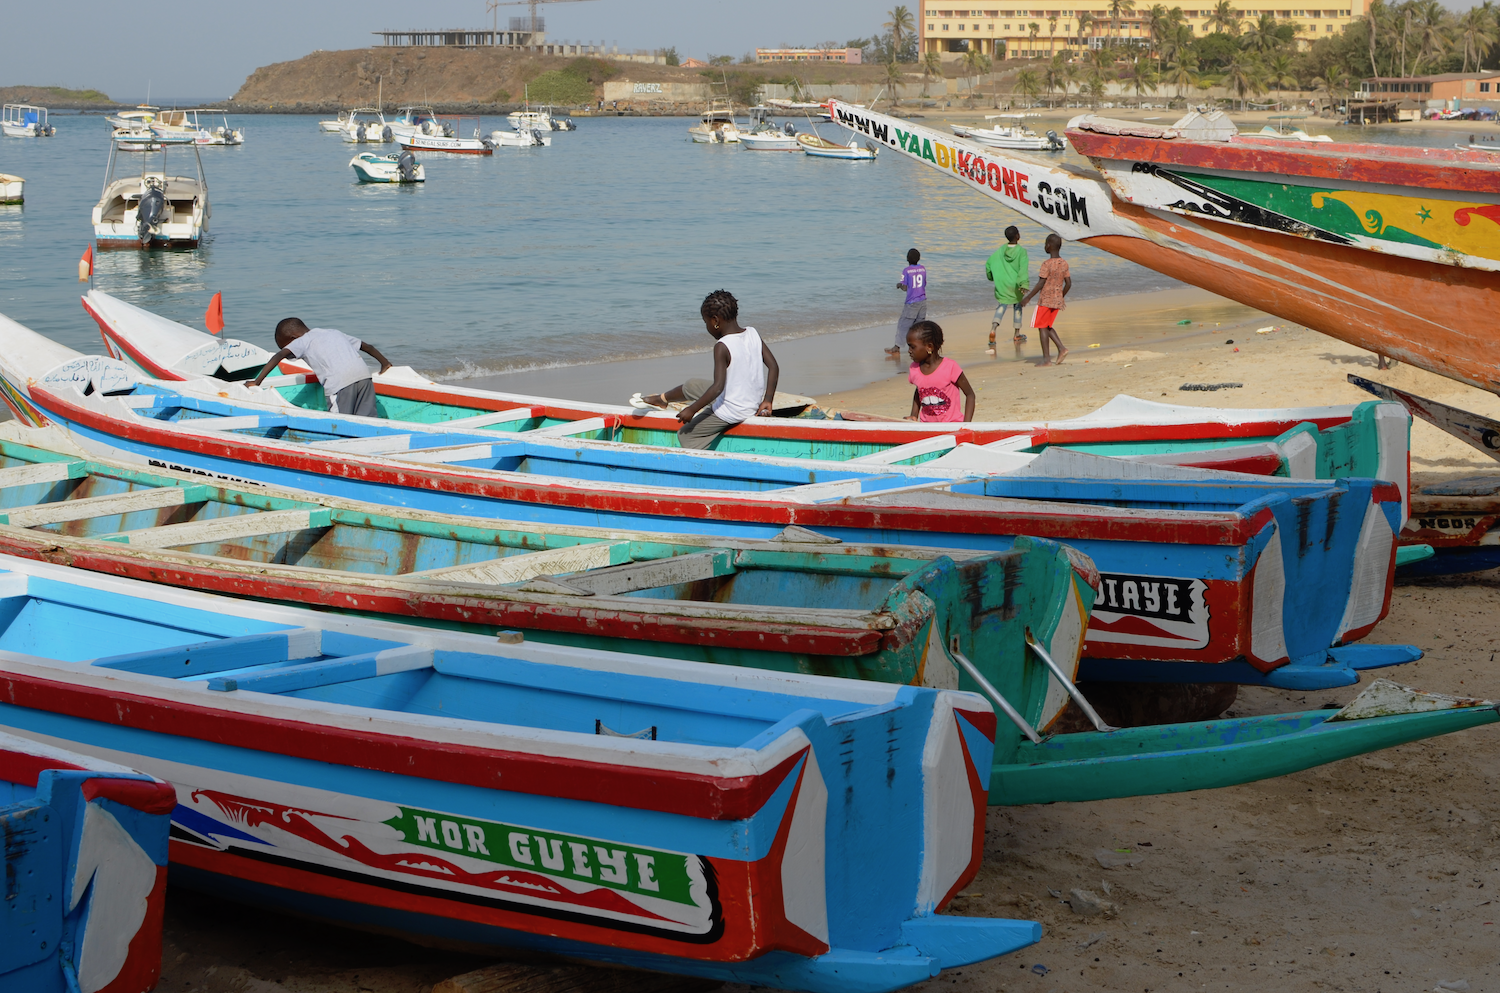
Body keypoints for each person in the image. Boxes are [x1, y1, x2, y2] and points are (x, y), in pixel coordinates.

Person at [638, 290, 780, 450]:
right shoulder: (752, 333)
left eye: (706, 323)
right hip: (751, 401)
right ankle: (662, 400)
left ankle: (706, 462)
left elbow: (718, 387)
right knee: (692, 385)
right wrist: (767, 400)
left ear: (715, 321)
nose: (707, 327)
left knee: (686, 435)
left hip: (734, 410)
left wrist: (692, 409)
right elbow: (774, 366)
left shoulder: (722, 346)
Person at [248, 318, 393, 417]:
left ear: (293, 338)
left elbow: (278, 356)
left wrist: (257, 382)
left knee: (340, 422)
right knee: (366, 419)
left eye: (286, 345)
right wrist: (384, 362)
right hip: (364, 376)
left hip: (340, 383)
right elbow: (366, 346)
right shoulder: (333, 332)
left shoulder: (303, 340)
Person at [905, 320, 975, 423]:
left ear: (929, 347)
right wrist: (913, 415)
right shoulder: (914, 368)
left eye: (912, 347)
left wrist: (966, 425)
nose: (909, 351)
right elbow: (919, 391)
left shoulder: (950, 367)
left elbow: (970, 395)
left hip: (952, 426)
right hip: (927, 428)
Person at [1019, 233, 1072, 365]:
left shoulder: (1046, 264)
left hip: (1045, 301)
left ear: (1048, 246)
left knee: (1042, 327)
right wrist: (1060, 297)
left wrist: (1028, 298)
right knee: (1047, 326)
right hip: (1056, 301)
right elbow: (1069, 283)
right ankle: (1061, 348)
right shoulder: (1064, 263)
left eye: (1045, 244)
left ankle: (1046, 359)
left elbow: (1041, 283)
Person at [985, 225, 1030, 356]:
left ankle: (993, 328)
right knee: (1017, 307)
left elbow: (989, 263)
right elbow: (1023, 269)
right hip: (1015, 284)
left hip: (1003, 283)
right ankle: (1017, 334)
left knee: (1002, 305)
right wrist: (1024, 283)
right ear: (1018, 236)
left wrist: (991, 277)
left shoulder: (1000, 250)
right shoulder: (1022, 251)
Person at [887, 248, 927, 356]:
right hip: (923, 301)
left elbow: (905, 288)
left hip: (911, 303)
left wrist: (899, 285)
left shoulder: (906, 270)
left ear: (907, 259)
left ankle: (896, 348)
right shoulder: (923, 269)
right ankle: (920, 347)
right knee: (919, 326)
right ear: (918, 258)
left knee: (903, 325)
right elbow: (924, 284)